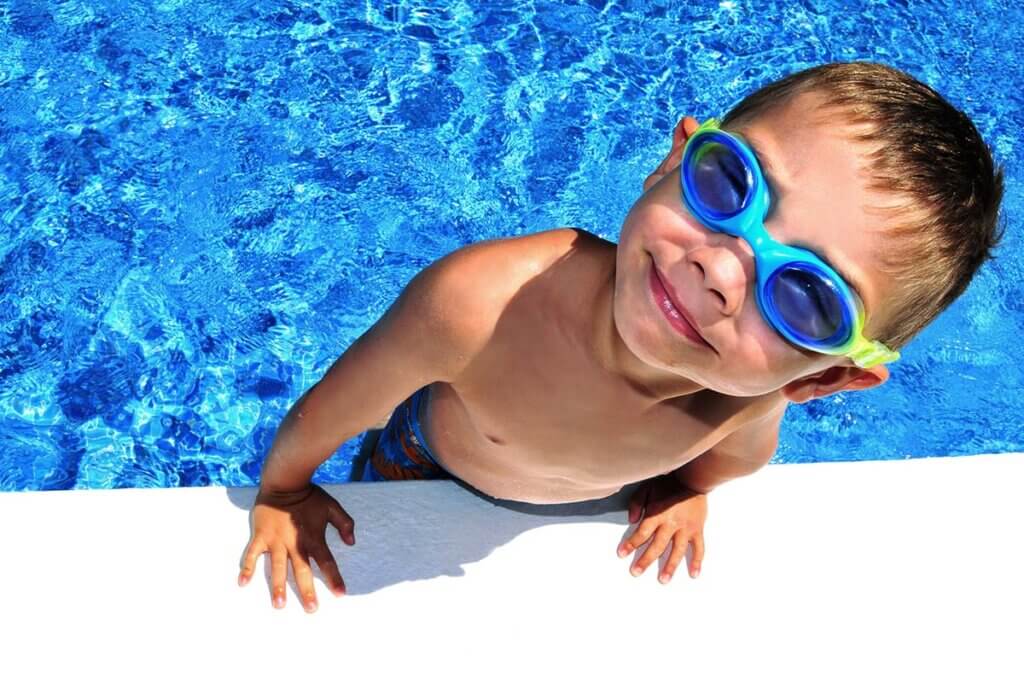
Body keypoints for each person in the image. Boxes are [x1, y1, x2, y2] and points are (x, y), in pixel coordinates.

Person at [237, 61, 1005, 612]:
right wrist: (284, 489)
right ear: (673, 159)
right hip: (426, 459)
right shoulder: (482, 307)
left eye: (806, 299)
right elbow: (337, 405)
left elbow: (739, 457)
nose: (721, 269)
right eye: (729, 184)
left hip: (609, 493)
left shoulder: (745, 400)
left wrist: (685, 491)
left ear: (821, 380)